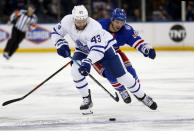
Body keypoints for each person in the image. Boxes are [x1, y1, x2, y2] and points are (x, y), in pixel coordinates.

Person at [51, 5, 157, 111]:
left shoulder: (94, 27)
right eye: (78, 21)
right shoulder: (66, 21)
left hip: (105, 51)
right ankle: (86, 98)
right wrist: (60, 44)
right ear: (73, 18)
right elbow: (56, 32)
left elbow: (97, 51)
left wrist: (87, 62)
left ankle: (142, 96)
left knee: (123, 77)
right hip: (83, 50)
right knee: (75, 71)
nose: (81, 23)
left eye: (83, 20)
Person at [93, 8, 157, 110]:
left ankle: (138, 92)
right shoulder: (99, 25)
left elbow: (137, 41)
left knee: (131, 72)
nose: (119, 25)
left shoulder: (126, 30)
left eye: (122, 22)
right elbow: (85, 38)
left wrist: (147, 49)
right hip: (97, 56)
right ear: (112, 20)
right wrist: (80, 56)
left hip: (115, 52)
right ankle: (121, 90)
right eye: (117, 22)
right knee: (110, 74)